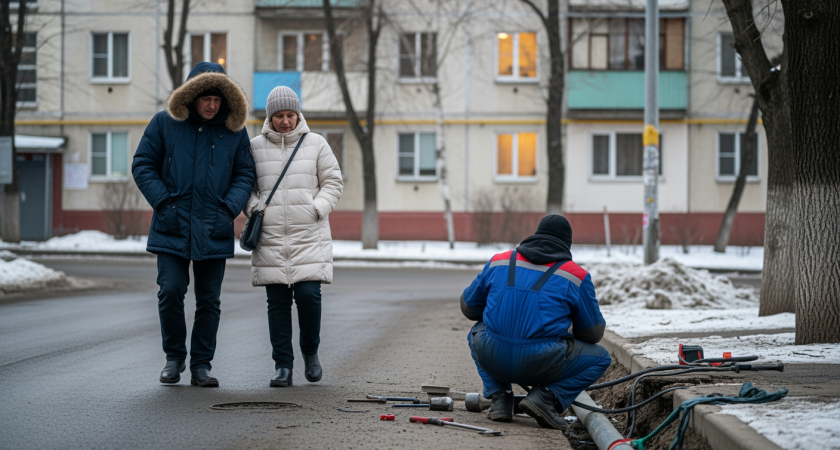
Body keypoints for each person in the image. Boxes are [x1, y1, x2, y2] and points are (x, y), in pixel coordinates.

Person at [132, 62, 255, 387]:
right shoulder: (164, 123)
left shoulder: (234, 131)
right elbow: (143, 164)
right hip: (171, 224)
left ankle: (201, 365)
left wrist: (228, 208)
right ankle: (174, 359)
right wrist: (163, 201)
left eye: (217, 98)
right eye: (206, 98)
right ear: (192, 96)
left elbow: (245, 173)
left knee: (209, 300)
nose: (212, 105)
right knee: (170, 291)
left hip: (214, 226)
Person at [460, 214, 611, 429]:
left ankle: (500, 397)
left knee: (476, 331)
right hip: (542, 363)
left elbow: (469, 308)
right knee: (601, 358)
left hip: (492, 355)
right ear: (567, 244)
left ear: (535, 235)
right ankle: (544, 398)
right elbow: (592, 334)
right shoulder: (576, 276)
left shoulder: (499, 261)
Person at [244, 86, 343, 387]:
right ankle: (283, 366)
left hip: (308, 236)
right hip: (271, 238)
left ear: (298, 115)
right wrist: (254, 208)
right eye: (279, 116)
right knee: (277, 303)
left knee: (309, 297)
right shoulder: (254, 147)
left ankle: (310, 354)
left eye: (290, 115)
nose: (285, 121)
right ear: (269, 117)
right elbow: (245, 187)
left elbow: (333, 182)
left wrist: (317, 208)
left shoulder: (316, 144)